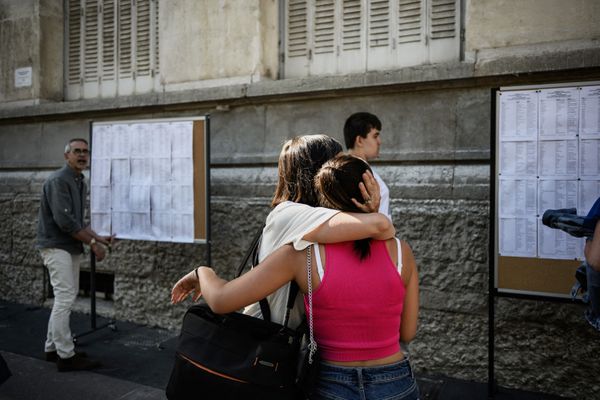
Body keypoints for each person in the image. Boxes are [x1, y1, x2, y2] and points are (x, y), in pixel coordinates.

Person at [172, 154, 420, 400]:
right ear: (370, 192)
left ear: (323, 199)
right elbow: (407, 333)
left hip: (331, 383)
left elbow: (221, 300)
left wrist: (202, 272)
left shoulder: (303, 255)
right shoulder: (401, 252)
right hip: (396, 381)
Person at [242, 135, 395, 329]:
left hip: (291, 342)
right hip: (265, 341)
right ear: (319, 171)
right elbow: (382, 225)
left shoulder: (314, 217)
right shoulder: (289, 214)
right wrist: (370, 208)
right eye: (337, 164)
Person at [36, 138, 113, 371]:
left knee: (64, 298)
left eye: (85, 152)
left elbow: (77, 222)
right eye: (77, 151)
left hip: (69, 247)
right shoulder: (59, 180)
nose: (82, 155)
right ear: (66, 156)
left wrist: (101, 239)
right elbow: (65, 222)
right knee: (65, 298)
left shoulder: (79, 180)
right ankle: (66, 356)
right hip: (56, 246)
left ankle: (52, 348)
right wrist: (93, 243)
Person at [344, 112, 391, 220]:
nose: (379, 142)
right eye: (375, 136)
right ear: (359, 140)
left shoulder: (340, 169)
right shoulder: (359, 174)